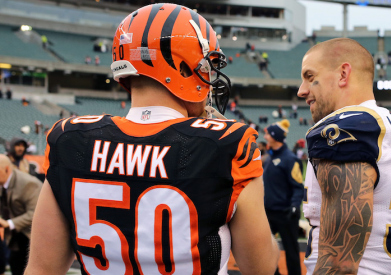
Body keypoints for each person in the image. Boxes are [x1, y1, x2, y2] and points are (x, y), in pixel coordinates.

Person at [25, 4, 279, 274]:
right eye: (206, 66)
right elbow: (260, 267)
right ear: (183, 67)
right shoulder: (227, 143)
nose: (209, 77)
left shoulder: (69, 139)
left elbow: (41, 269)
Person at [298, 38, 391, 274]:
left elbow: (340, 263)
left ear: (343, 74)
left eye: (309, 76)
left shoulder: (348, 129)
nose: (301, 90)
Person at [263, 119, 304, 275]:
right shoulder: (270, 157)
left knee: (291, 250)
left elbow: (298, 186)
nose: (265, 136)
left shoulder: (290, 159)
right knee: (266, 250)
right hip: (268, 213)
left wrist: (294, 206)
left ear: (275, 137)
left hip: (286, 213)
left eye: (268, 134)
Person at [0, 155, 42, 275]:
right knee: (15, 264)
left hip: (31, 236)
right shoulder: (3, 181)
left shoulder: (28, 183)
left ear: (7, 169)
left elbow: (35, 213)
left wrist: (8, 223)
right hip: (15, 236)